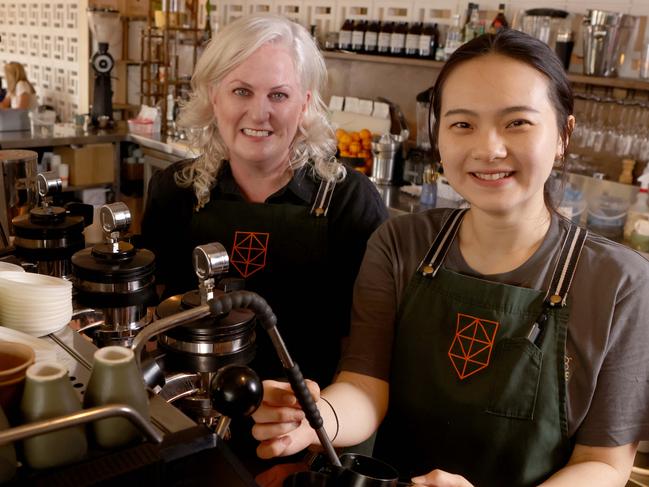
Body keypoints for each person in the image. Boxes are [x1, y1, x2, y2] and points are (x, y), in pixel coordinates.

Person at [252, 29, 649, 487]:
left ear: (563, 133)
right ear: (438, 135)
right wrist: (315, 417)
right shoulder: (400, 243)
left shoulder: (620, 282)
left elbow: (603, 464)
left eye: (517, 122)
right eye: (463, 124)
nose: (488, 148)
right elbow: (365, 385)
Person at [140, 12, 387, 467]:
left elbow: (365, 352)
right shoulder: (173, 191)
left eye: (279, 94)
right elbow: (152, 318)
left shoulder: (350, 202)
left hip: (301, 435)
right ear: (214, 97)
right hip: (183, 427)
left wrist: (308, 451)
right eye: (241, 91)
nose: (259, 113)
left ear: (305, 103)